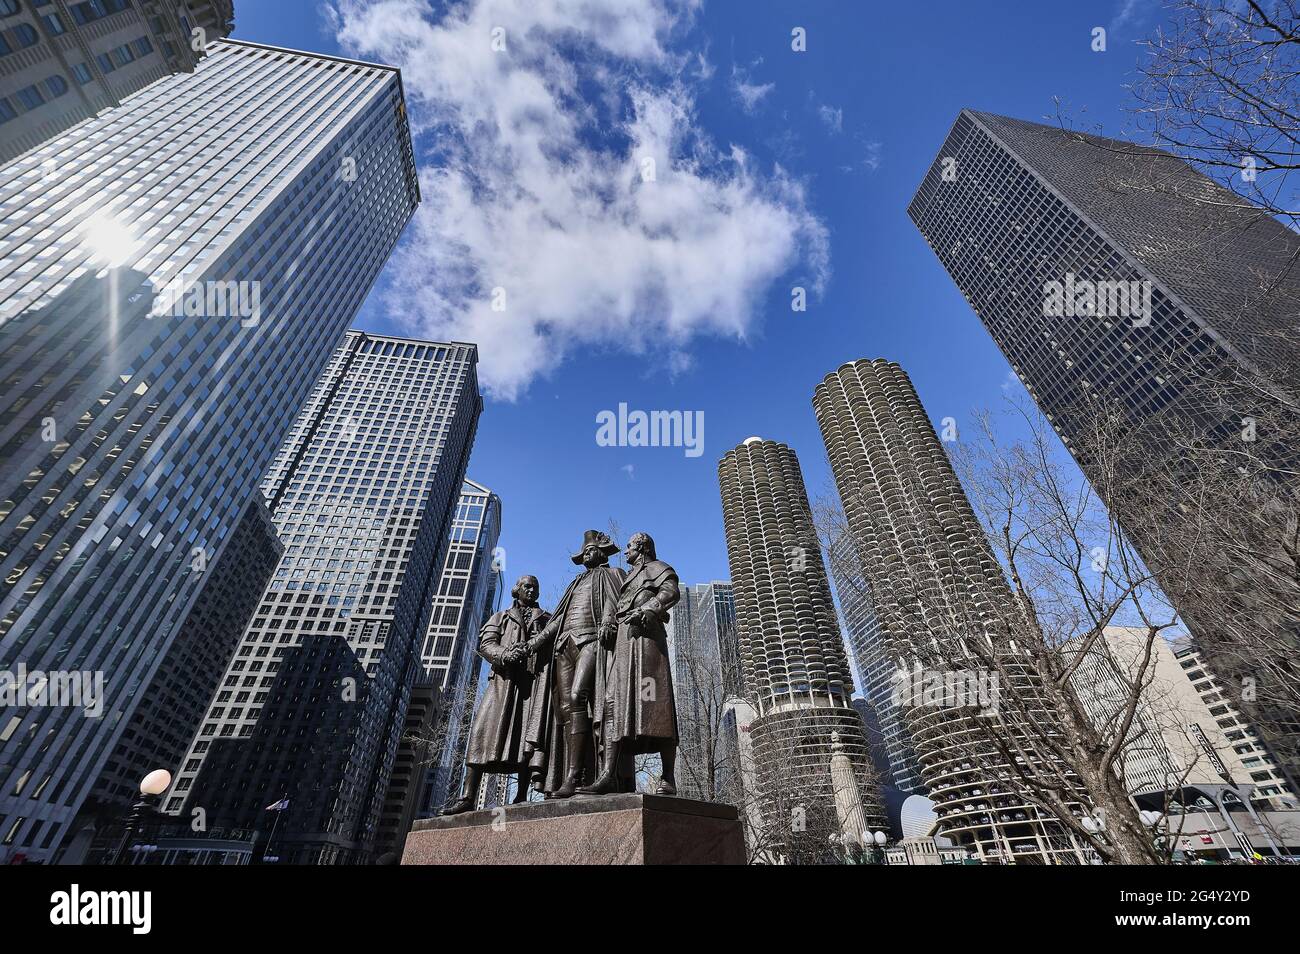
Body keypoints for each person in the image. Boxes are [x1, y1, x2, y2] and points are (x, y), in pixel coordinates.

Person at [523, 530, 625, 798]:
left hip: (592, 640)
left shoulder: (612, 575)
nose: (587, 555)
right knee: (567, 708)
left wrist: (608, 621)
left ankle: (578, 775)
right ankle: (571, 776)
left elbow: (615, 603)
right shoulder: (576, 582)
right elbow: (558, 618)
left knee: (580, 696)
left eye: (592, 550)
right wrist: (537, 642)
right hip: (564, 645)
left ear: (603, 552)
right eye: (584, 552)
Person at [581, 531, 680, 796]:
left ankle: (668, 777)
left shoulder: (659, 568)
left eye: (628, 547)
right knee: (613, 703)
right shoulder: (627, 578)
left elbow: (671, 592)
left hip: (647, 645)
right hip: (624, 646)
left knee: (655, 705)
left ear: (642, 547)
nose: (625, 552)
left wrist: (649, 608)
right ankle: (607, 775)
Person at [441, 575, 550, 814]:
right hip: (502, 683)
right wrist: (504, 654)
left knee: (526, 738)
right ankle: (468, 796)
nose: (532, 591)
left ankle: (521, 795)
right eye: (527, 586)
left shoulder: (546, 619)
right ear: (517, 589)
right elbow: (486, 644)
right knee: (482, 733)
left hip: (531, 687)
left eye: (536, 587)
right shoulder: (500, 617)